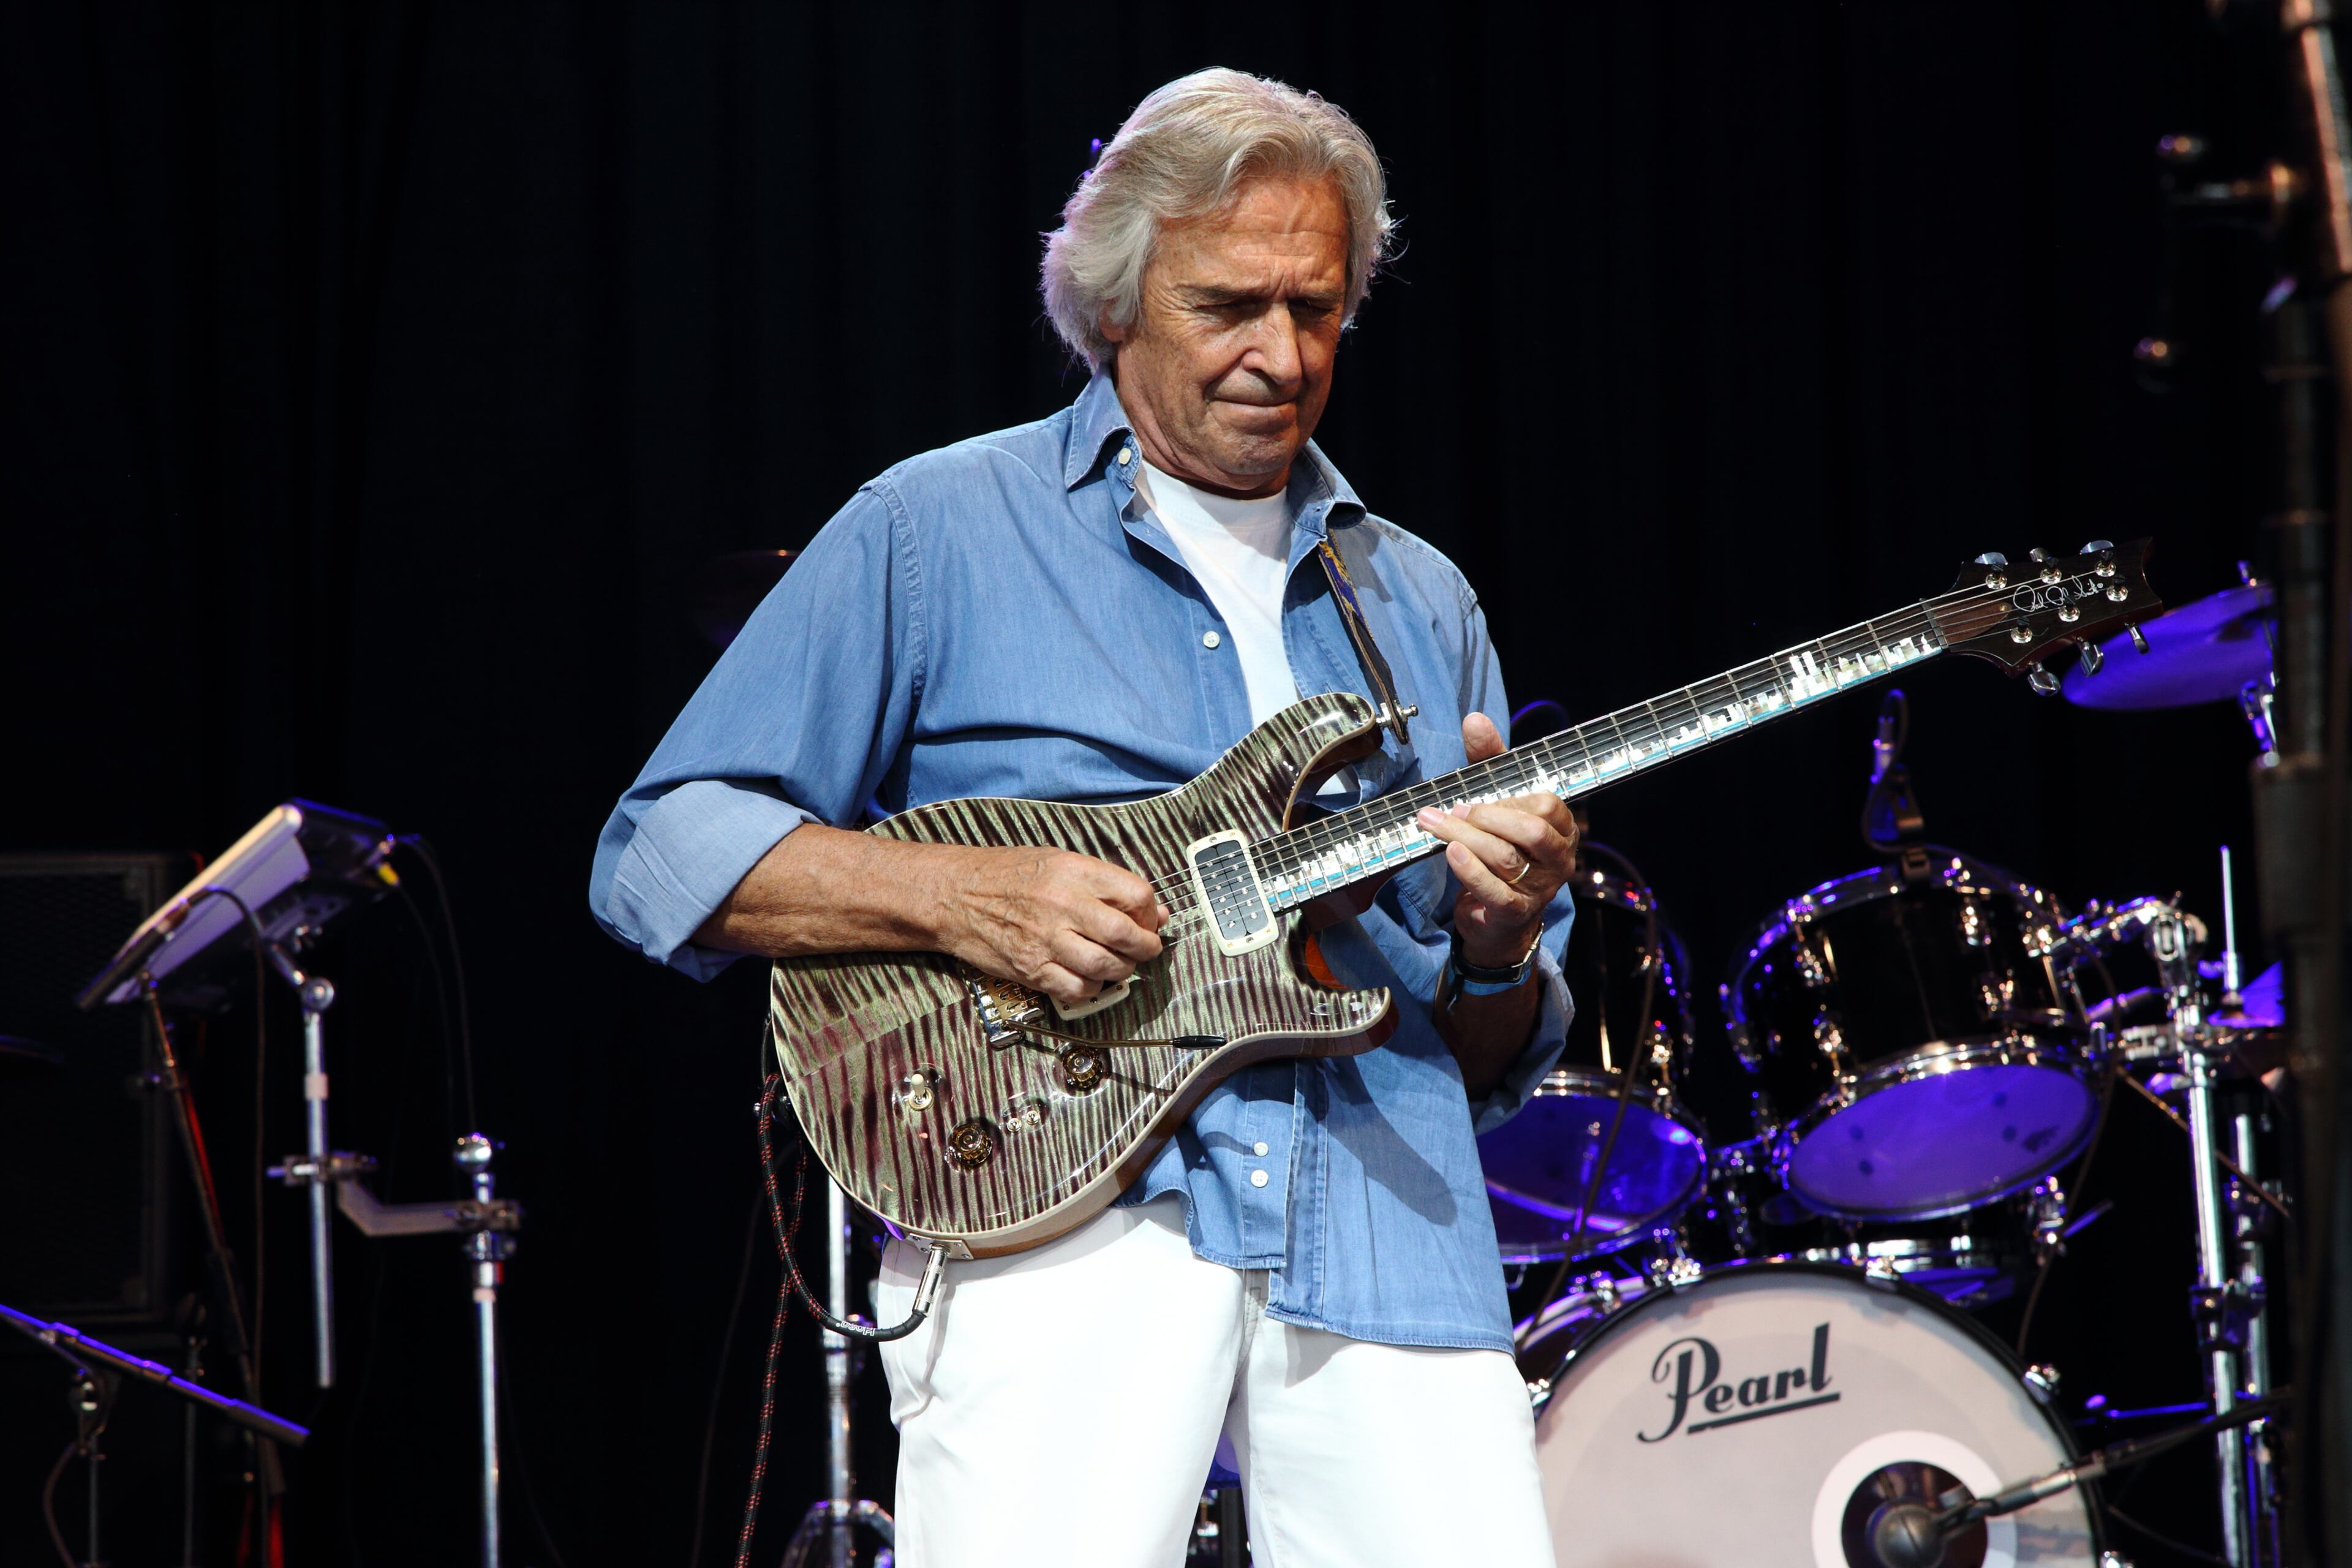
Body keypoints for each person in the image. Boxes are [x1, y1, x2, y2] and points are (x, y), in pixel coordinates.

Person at [592, 67, 1574, 1568]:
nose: (1280, 354)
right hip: (1050, 1201)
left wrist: (1501, 945)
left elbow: (1487, 1046)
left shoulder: (1420, 597)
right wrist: (962, 899)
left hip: (1387, 1228)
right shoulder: (934, 529)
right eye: (1228, 304)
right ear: (1114, 302)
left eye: (1317, 310)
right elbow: (660, 842)